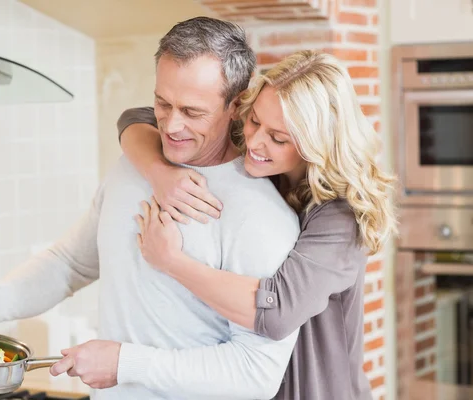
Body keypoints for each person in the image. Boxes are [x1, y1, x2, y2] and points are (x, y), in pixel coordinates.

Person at [0, 17, 300, 400]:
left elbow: (257, 374)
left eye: (192, 112)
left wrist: (125, 363)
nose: (171, 125)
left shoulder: (260, 217)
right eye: (162, 103)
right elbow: (71, 263)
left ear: (236, 105)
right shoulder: (133, 168)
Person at [117, 50, 398, 400]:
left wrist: (172, 262)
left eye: (278, 138)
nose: (253, 142)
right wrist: (160, 174)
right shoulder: (265, 163)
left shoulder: (340, 217)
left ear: (318, 144)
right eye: (253, 121)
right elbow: (135, 118)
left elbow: (277, 311)